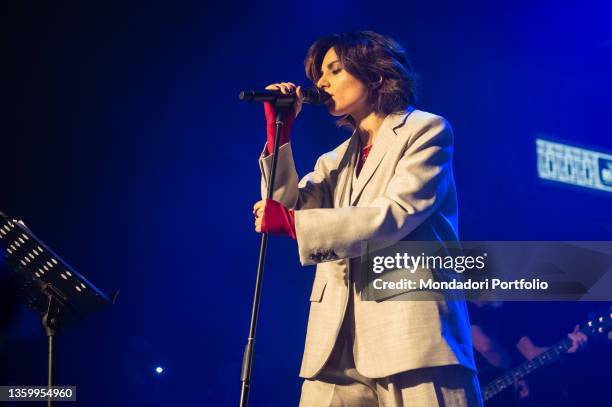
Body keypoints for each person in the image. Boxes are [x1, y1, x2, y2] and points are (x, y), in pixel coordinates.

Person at [252, 31, 481, 406]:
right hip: (334, 344)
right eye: (318, 76)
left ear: (374, 73)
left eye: (335, 70)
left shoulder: (425, 131)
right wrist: (279, 134)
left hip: (409, 333)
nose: (321, 83)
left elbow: (396, 213)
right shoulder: (333, 160)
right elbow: (287, 208)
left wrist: (294, 224)